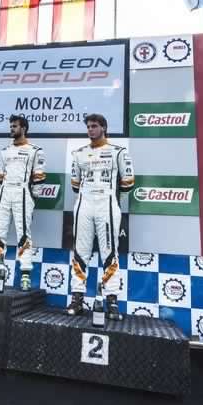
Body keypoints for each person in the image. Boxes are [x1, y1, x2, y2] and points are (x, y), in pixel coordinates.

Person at [66, 114, 134, 320]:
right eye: (88, 126)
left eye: (94, 126)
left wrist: (111, 198)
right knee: (80, 251)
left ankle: (112, 302)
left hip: (107, 204)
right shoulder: (79, 153)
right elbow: (75, 185)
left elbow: (128, 182)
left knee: (109, 252)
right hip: (84, 204)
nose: (90, 130)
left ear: (103, 127)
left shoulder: (118, 152)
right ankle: (77, 299)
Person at [0, 115, 46, 291]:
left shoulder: (35, 150)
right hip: (4, 191)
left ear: (23, 128)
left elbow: (39, 178)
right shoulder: (5, 151)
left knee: (23, 234)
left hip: (23, 192)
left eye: (15, 126)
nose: (11, 129)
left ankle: (25, 275)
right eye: (10, 126)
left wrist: (32, 199)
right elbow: (0, 175)